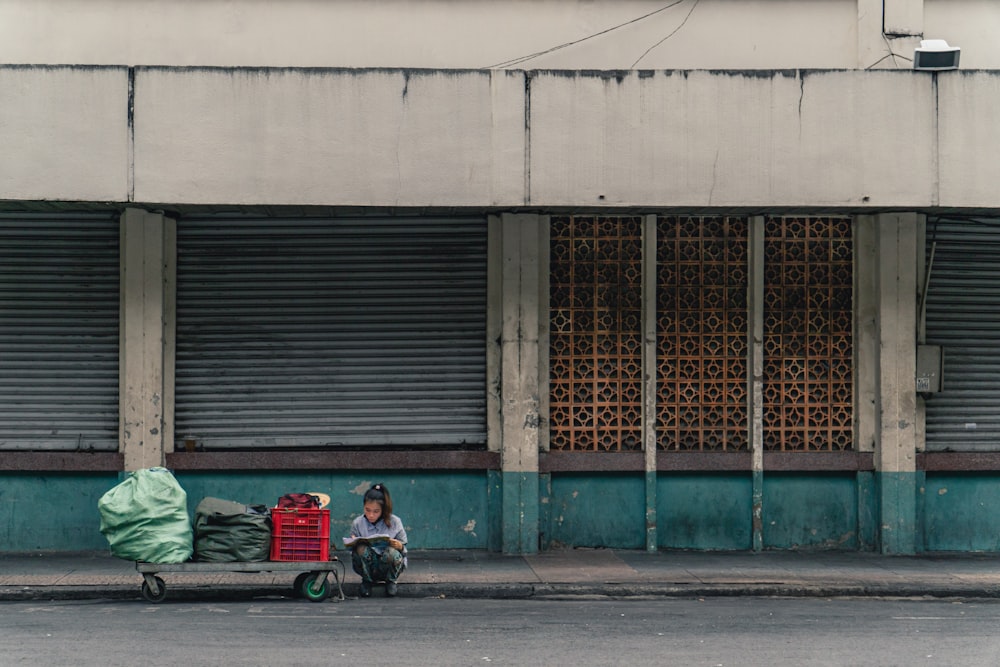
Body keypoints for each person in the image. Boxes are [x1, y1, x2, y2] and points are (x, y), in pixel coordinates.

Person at [348, 482, 408, 597]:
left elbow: (404, 548)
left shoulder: (395, 522)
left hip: (388, 564)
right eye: (367, 510)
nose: (371, 515)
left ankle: (391, 581)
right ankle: (367, 581)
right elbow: (352, 551)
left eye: (376, 511)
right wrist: (353, 543)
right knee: (360, 548)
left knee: (392, 552)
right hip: (368, 565)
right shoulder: (358, 523)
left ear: (383, 510)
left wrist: (399, 546)